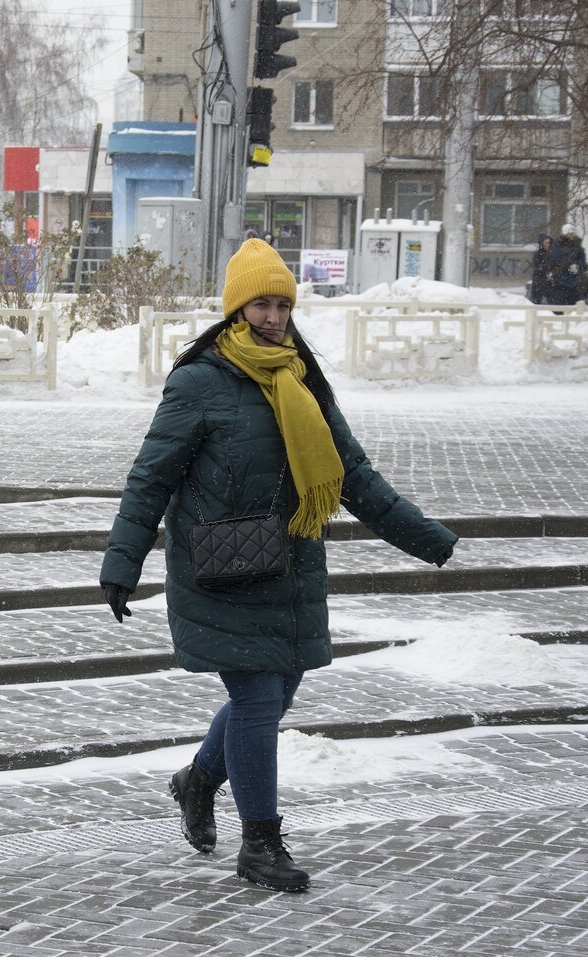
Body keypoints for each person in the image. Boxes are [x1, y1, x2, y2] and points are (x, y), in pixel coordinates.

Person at [99, 238, 457, 893]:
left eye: (283, 303)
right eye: (261, 302)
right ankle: (259, 845)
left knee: (271, 695)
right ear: (236, 308)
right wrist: (123, 560)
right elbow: (151, 476)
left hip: (288, 564)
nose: (273, 315)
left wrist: (425, 536)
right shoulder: (199, 380)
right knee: (259, 698)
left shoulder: (301, 377)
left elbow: (351, 473)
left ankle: (199, 779)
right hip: (221, 566)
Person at [549, 223, 586, 306]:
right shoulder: (557, 245)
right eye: (570, 233)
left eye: (573, 233)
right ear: (565, 233)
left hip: (574, 281)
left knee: (573, 306)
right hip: (560, 280)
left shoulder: (577, 246)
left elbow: (582, 259)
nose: (572, 235)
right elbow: (556, 259)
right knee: (559, 305)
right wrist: (569, 265)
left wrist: (578, 266)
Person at [530, 234, 555, 305]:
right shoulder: (538, 254)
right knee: (536, 302)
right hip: (539, 282)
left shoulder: (553, 254)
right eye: (546, 242)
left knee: (554, 304)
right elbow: (538, 267)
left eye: (549, 242)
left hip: (551, 283)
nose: (548, 244)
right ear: (542, 243)